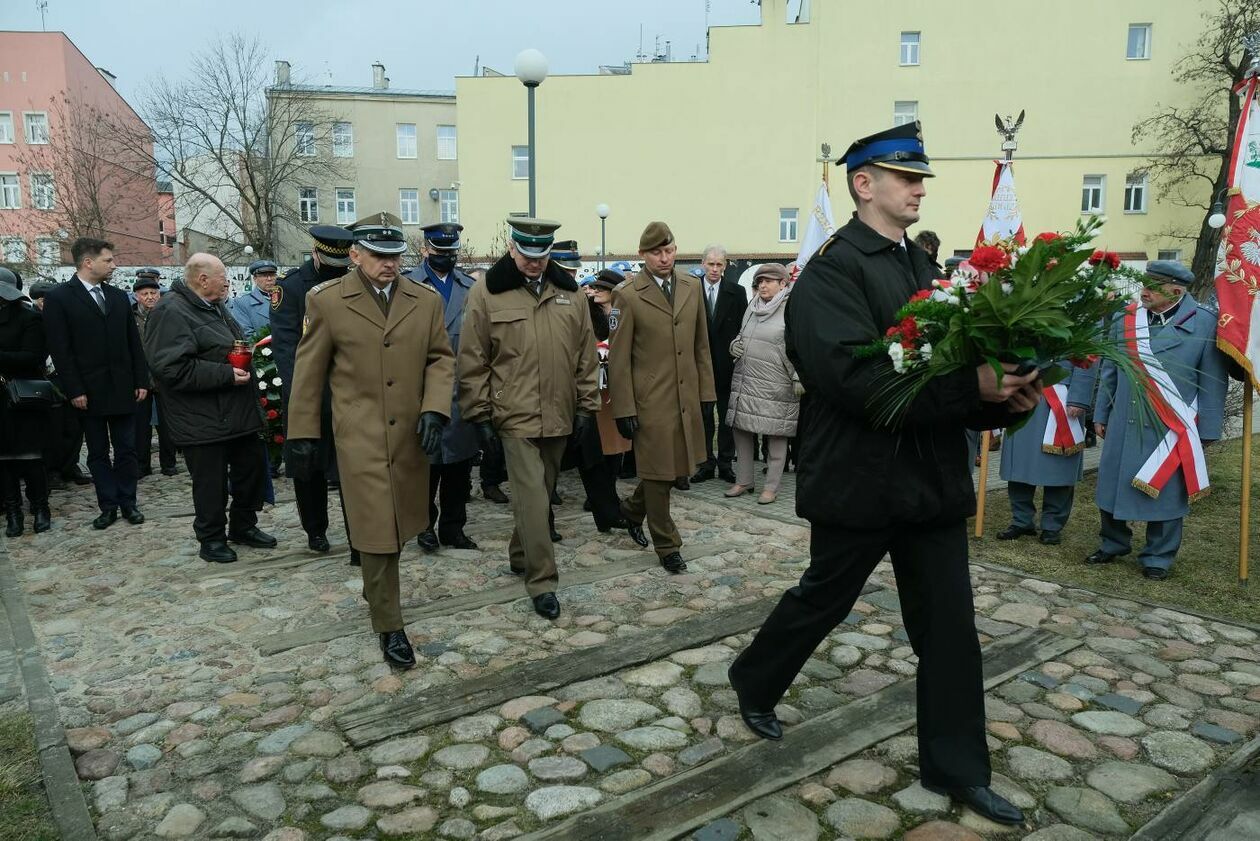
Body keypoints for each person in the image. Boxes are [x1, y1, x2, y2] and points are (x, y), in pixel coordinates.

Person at [727, 122, 1039, 826]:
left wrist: (1004, 394)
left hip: (927, 484)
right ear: (863, 184)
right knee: (824, 599)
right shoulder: (832, 274)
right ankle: (754, 676)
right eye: (906, 175)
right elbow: (862, 385)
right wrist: (973, 390)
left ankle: (959, 769)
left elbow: (951, 375)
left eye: (921, 176)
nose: (919, 186)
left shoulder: (922, 270)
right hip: (861, 483)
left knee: (951, 629)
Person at [287, 213, 453, 668]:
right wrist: (301, 433)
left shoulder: (425, 301)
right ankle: (389, 624)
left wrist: (436, 407)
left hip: (411, 437)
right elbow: (309, 373)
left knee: (402, 525)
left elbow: (441, 358)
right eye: (379, 256)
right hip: (359, 436)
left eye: (395, 255)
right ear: (355, 255)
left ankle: (377, 589)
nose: (389, 264)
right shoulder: (328, 302)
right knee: (378, 531)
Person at [458, 218, 599, 620]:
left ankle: (521, 553)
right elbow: (473, 358)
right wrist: (479, 414)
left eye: (542, 255)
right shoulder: (487, 292)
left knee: (542, 490)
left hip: (559, 413)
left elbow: (586, 356)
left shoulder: (570, 294)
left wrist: (587, 405)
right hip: (513, 415)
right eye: (527, 255)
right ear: (513, 248)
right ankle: (542, 582)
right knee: (535, 500)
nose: (535, 263)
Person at [1089, 260, 1228, 579]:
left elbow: (1212, 381)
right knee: (1111, 485)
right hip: (1124, 418)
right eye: (1144, 284)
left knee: (1166, 493)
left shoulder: (1205, 323)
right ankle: (1113, 542)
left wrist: (1206, 429)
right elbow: (1110, 369)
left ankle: (1158, 556)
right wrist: (1101, 411)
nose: (1144, 291)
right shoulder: (1127, 317)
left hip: (1171, 427)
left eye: (1153, 286)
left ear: (1177, 291)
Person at [144, 254, 276, 563]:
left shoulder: (212, 304)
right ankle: (211, 537)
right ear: (203, 279)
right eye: (223, 277)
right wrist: (226, 374)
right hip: (201, 418)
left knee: (250, 473)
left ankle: (244, 526)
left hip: (236, 412)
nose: (227, 282)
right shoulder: (170, 311)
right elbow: (170, 368)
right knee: (211, 484)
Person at [609, 221, 717, 574]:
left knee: (676, 470)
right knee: (657, 477)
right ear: (642, 255)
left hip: (686, 397)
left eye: (669, 250)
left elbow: (702, 346)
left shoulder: (691, 285)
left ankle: (630, 510)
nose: (665, 257)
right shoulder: (627, 295)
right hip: (649, 402)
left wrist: (706, 393)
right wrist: (623, 407)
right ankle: (667, 545)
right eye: (657, 252)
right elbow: (619, 359)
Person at [42, 238, 148, 530]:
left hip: (124, 387)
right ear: (88, 262)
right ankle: (108, 505)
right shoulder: (60, 298)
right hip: (88, 391)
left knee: (127, 449)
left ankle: (129, 502)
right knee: (98, 452)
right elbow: (61, 351)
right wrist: (74, 389)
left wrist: (141, 379)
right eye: (108, 260)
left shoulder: (117, 297)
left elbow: (133, 343)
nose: (114, 265)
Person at [271, 226, 358, 560]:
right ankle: (316, 530)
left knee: (353, 466)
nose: (339, 272)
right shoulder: (291, 287)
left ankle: (359, 535)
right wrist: (301, 400)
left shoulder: (353, 282)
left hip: (348, 392)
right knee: (309, 469)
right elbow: (286, 348)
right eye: (333, 264)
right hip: (309, 394)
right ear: (317, 252)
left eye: (343, 266)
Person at [403, 223, 480, 552]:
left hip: (462, 390)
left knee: (459, 468)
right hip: (423, 390)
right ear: (425, 251)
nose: (445, 257)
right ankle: (424, 526)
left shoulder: (469, 287)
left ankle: (453, 527)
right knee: (427, 466)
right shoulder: (407, 284)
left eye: (451, 252)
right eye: (438, 252)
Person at [997, 360, 1097, 544]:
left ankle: (1052, 525)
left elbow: (1089, 357)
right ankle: (1021, 520)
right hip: (1024, 389)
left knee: (1059, 466)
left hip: (1063, 395)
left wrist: (1079, 398)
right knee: (1020, 462)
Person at [724, 263, 799, 504]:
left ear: (782, 284)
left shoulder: (792, 309)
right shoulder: (751, 307)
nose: (763, 285)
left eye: (769, 281)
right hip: (746, 378)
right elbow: (743, 334)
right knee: (742, 430)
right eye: (760, 281)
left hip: (777, 382)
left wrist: (798, 376)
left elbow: (799, 348)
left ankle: (771, 487)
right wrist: (734, 344)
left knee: (777, 435)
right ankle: (744, 480)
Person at [0, 267, 50, 536]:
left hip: (24, 397)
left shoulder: (29, 318)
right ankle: (13, 514)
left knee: (31, 457)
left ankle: (41, 508)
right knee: (4, 460)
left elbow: (33, 356)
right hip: (0, 402)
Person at [692, 245, 747, 484]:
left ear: (725, 266)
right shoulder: (691, 290)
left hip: (727, 366)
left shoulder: (737, 291)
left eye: (719, 264)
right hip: (699, 366)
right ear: (703, 263)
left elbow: (742, 329)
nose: (714, 269)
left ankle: (725, 463)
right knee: (703, 417)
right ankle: (705, 463)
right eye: (710, 264)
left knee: (727, 417)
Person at [132, 269, 178, 477]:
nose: (149, 297)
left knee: (167, 425)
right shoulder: (130, 317)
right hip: (140, 378)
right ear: (136, 296)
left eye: (153, 293)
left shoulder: (168, 314)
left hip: (164, 376)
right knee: (140, 426)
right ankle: (142, 464)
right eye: (145, 294)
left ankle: (169, 463)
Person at [228, 260, 279, 341]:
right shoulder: (242, 302)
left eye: (272, 275)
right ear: (255, 279)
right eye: (264, 275)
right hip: (263, 350)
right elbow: (247, 334)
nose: (269, 279)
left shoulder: (286, 298)